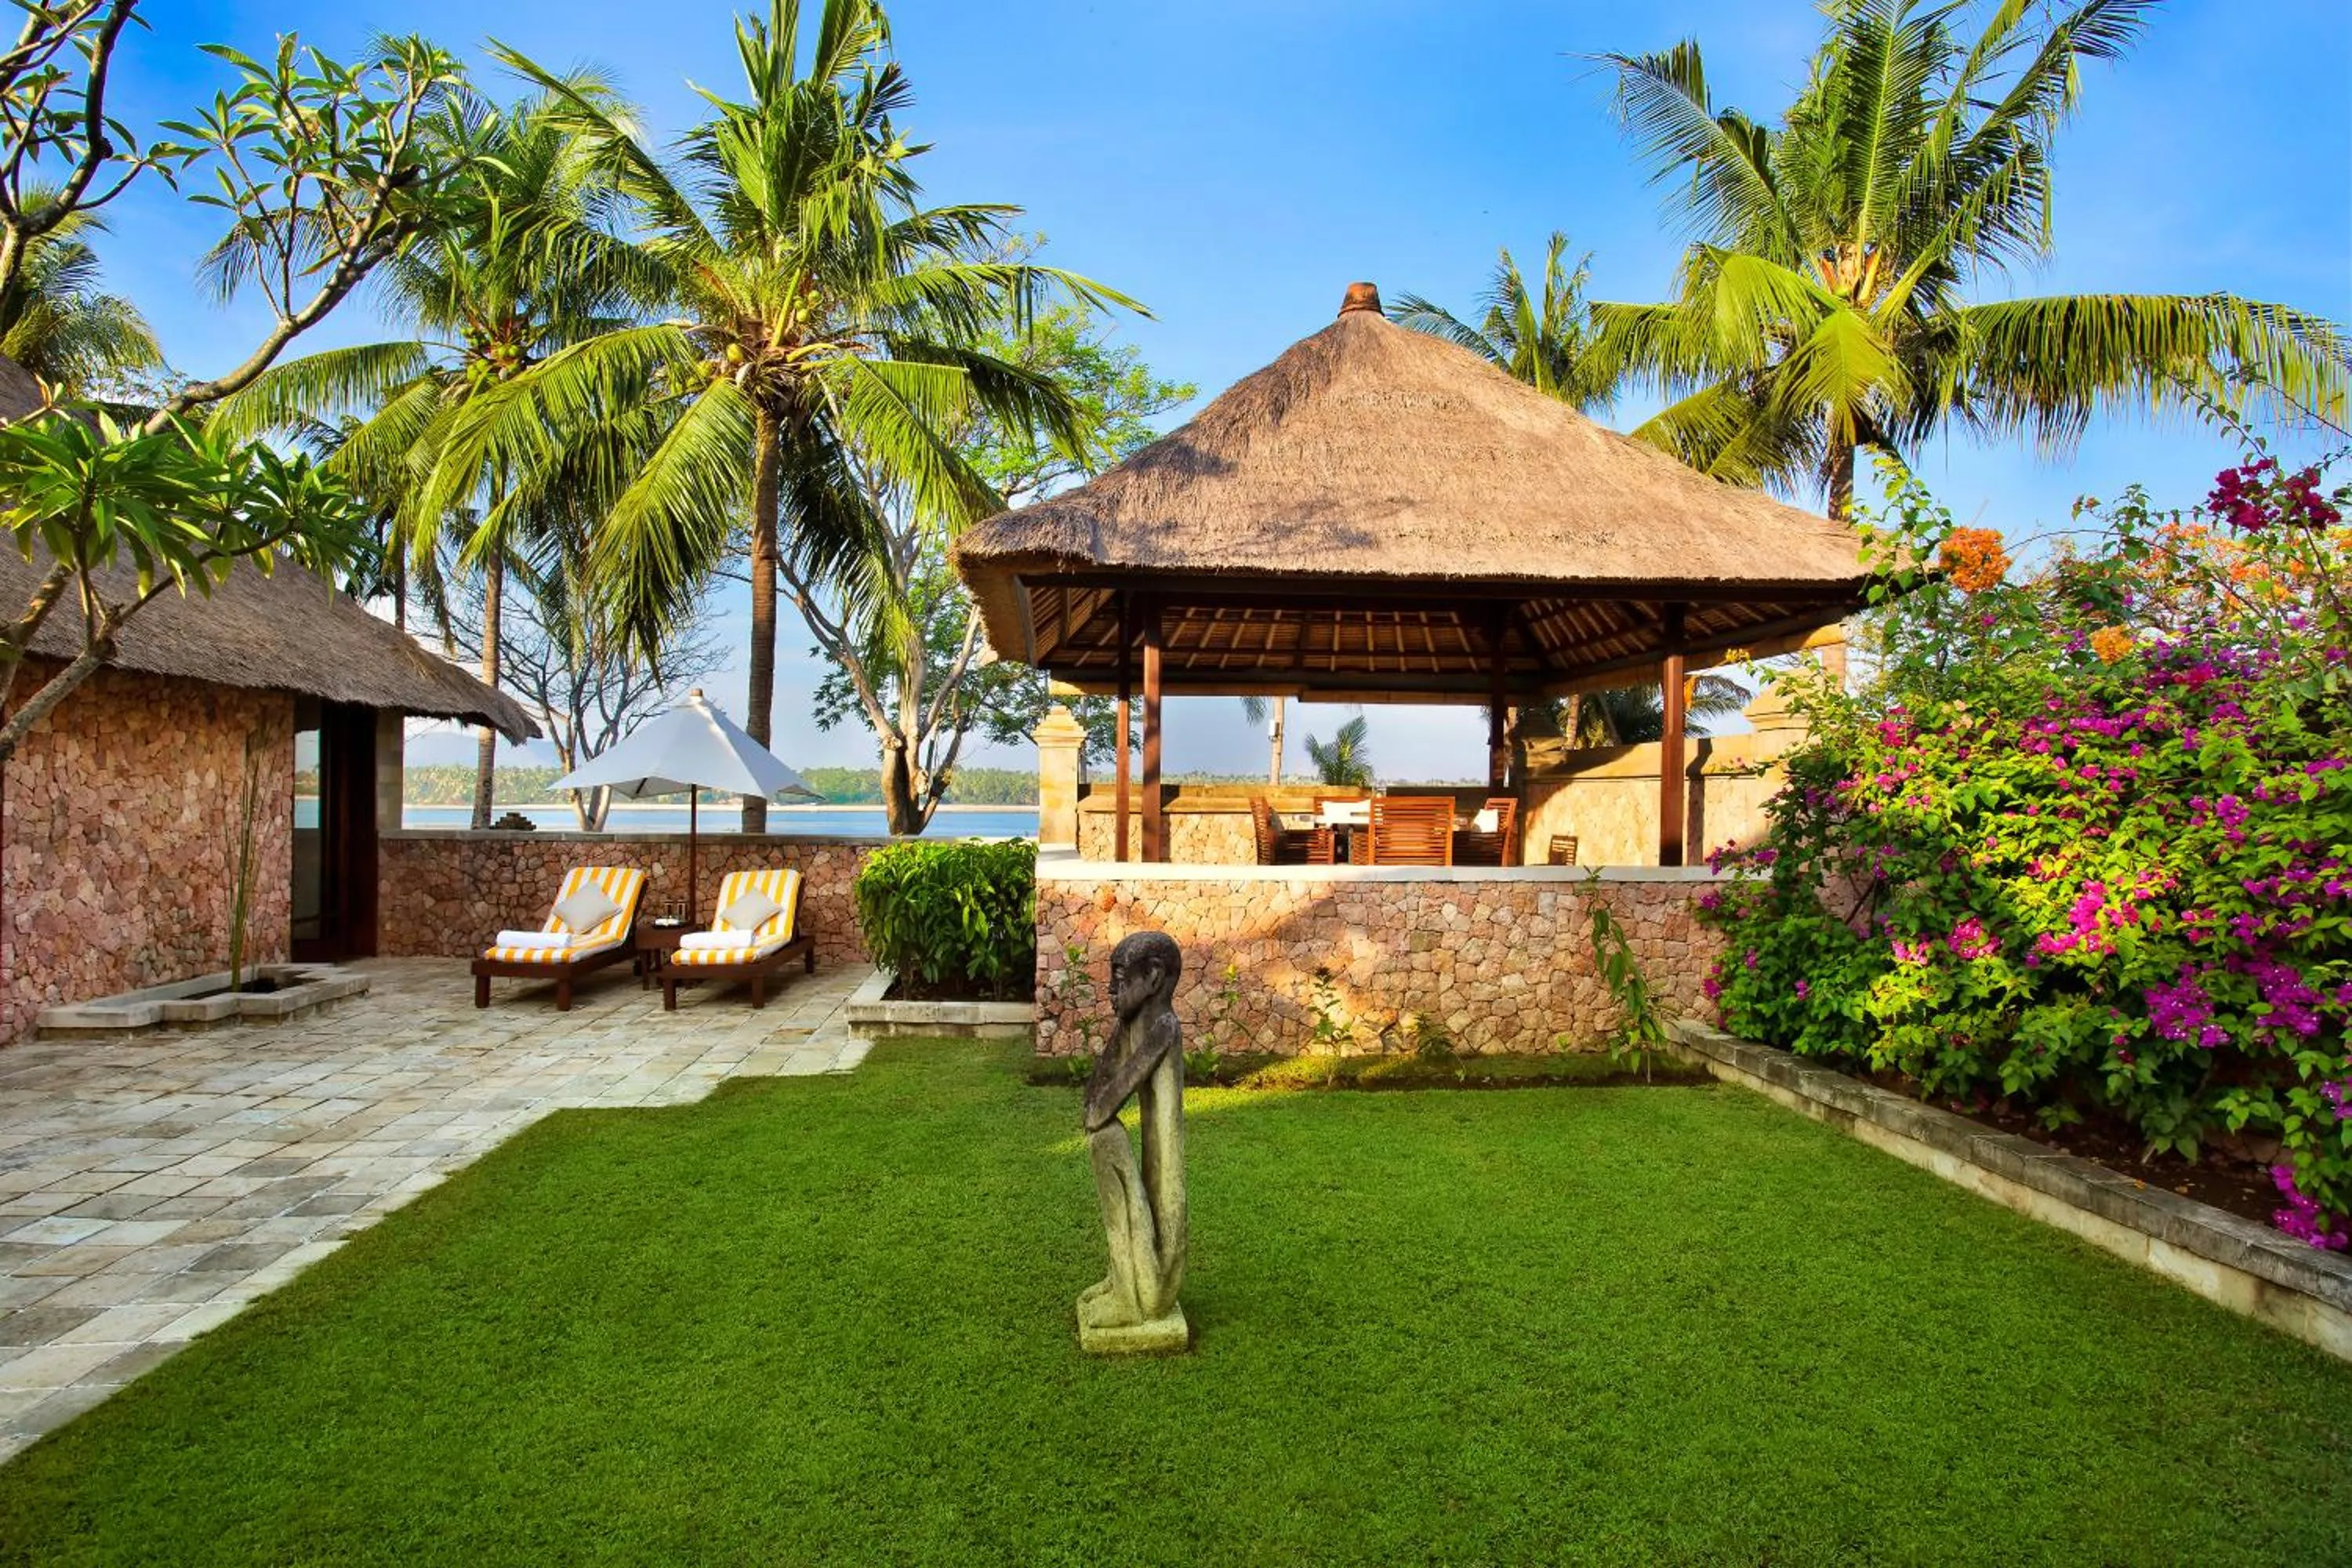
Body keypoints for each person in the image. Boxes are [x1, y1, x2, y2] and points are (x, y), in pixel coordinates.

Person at [1077, 931, 1188, 1345]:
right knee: (1102, 1138)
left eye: (1121, 981)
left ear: (1154, 978)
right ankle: (1119, 1279)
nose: (1110, 992)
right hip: (1151, 1257)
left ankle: (1131, 1296)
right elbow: (1092, 1107)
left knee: (1106, 1140)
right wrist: (1122, 1026)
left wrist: (1126, 1028)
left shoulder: (1163, 1029)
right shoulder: (1137, 1025)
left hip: (1161, 1270)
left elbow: (1100, 1112)